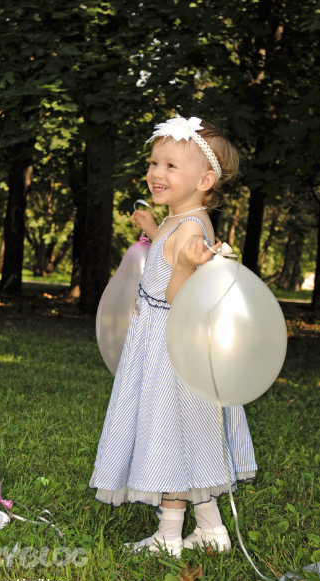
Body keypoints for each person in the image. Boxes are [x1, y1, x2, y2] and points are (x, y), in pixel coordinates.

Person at [89, 116, 257, 558]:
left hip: (171, 351)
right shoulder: (182, 219)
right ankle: (211, 530)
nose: (156, 173)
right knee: (190, 437)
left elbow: (181, 301)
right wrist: (151, 228)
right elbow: (168, 248)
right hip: (164, 346)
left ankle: (167, 536)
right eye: (153, 163)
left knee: (169, 436)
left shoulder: (191, 228)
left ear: (204, 181)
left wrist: (182, 267)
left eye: (170, 166)